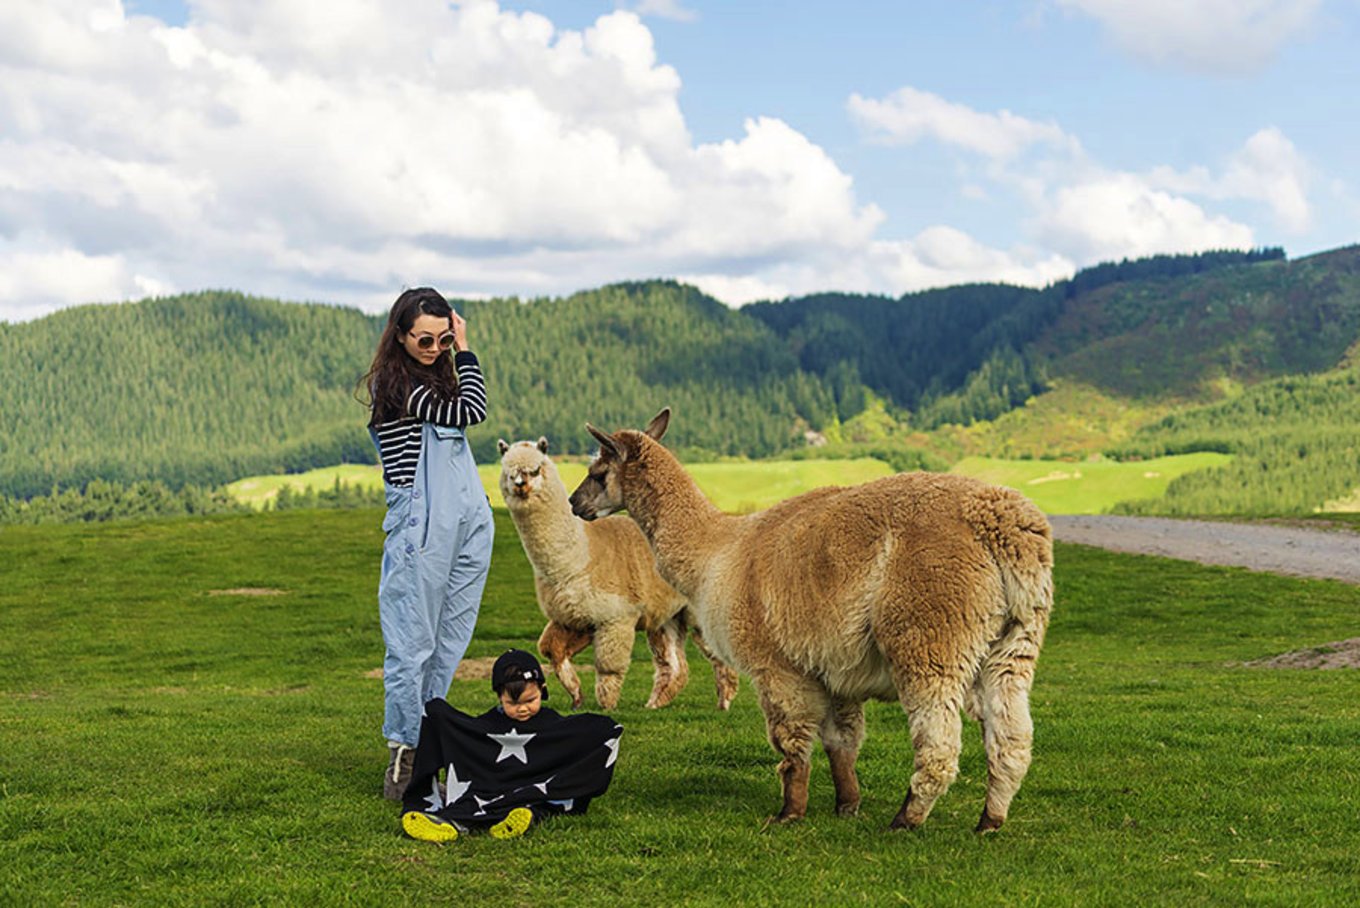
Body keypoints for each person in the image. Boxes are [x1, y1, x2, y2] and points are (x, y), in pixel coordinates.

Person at [361, 287, 495, 800]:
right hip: (420, 525)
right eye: (425, 338)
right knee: (411, 644)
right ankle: (404, 752)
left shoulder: (434, 382)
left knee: (447, 642)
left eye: (443, 339)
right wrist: (467, 348)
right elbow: (471, 410)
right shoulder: (396, 386)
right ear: (399, 335)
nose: (435, 347)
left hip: (463, 522)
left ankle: (430, 739)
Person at [400, 649, 624, 843]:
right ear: (499, 697)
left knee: (541, 802)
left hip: (534, 789)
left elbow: (593, 732)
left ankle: (526, 817)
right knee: (469, 802)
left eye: (530, 700)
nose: (523, 709)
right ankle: (449, 824)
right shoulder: (487, 727)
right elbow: (468, 732)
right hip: (491, 787)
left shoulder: (552, 725)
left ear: (543, 690)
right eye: (513, 703)